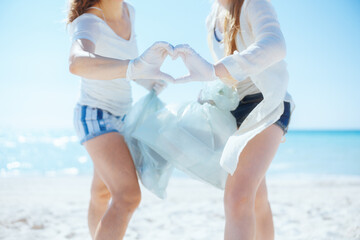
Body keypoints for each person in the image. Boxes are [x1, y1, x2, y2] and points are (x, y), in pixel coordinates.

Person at [170, 0, 295, 239]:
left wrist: (215, 70)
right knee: (256, 198)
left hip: (267, 104)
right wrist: (211, 89)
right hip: (234, 109)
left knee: (237, 197)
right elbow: (226, 75)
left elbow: (276, 45)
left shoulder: (253, 4)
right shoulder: (213, 16)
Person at [67, 0, 174, 239]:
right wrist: (134, 68)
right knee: (127, 196)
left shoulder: (129, 12)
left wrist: (147, 79)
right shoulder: (89, 21)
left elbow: (124, 64)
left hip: (125, 116)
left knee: (102, 193)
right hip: (95, 114)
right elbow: (77, 63)